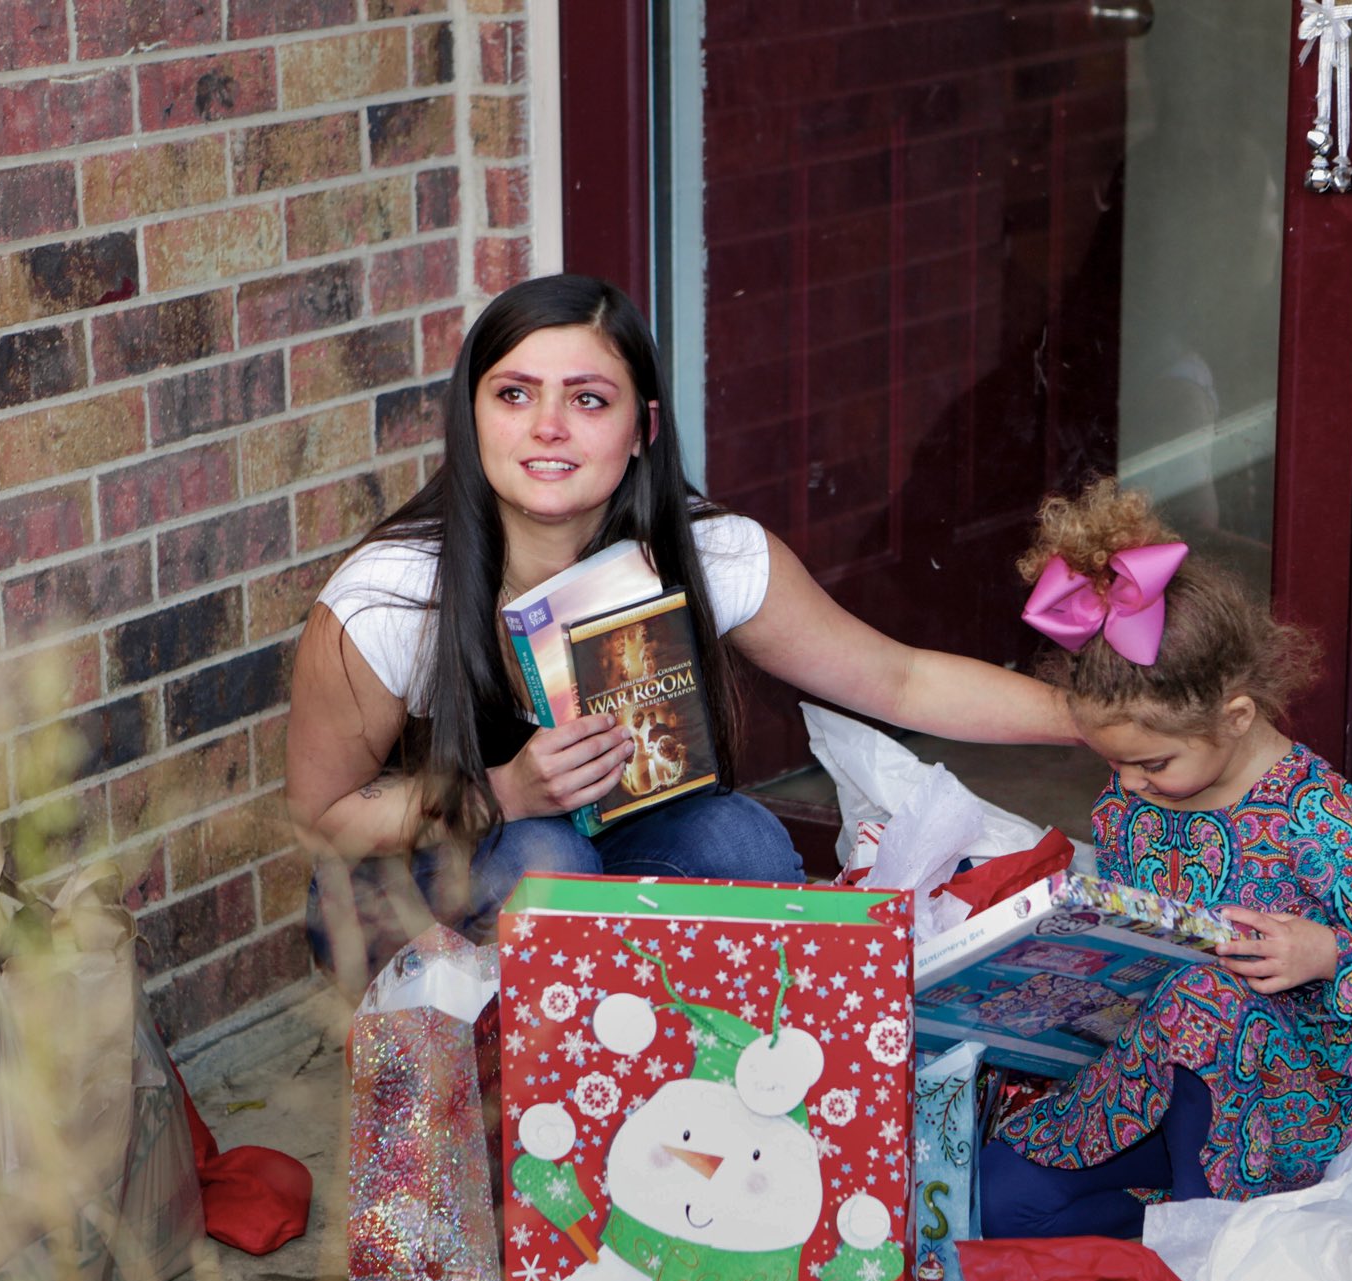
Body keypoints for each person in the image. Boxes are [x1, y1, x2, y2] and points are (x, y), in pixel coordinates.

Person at [285, 274, 1075, 984]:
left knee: (741, 843)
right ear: (471, 416)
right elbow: (324, 817)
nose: (548, 426)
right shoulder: (393, 597)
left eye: (589, 399)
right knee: (546, 859)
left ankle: (685, 1060)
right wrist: (501, 793)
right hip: (407, 879)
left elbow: (901, 680)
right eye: (515, 394)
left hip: (600, 851)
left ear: (644, 427)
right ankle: (533, 1086)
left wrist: (1087, 718)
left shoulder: (705, 554)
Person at [978, 478, 1352, 1239]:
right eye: (1113, 761)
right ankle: (1180, 1224)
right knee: (1003, 1199)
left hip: (1288, 1103)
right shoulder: (1130, 802)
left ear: (1234, 718)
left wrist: (1325, 952)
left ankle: (1213, 1243)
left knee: (1207, 1000)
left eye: (1153, 763)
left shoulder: (1311, 812)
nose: (1130, 782)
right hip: (1148, 1080)